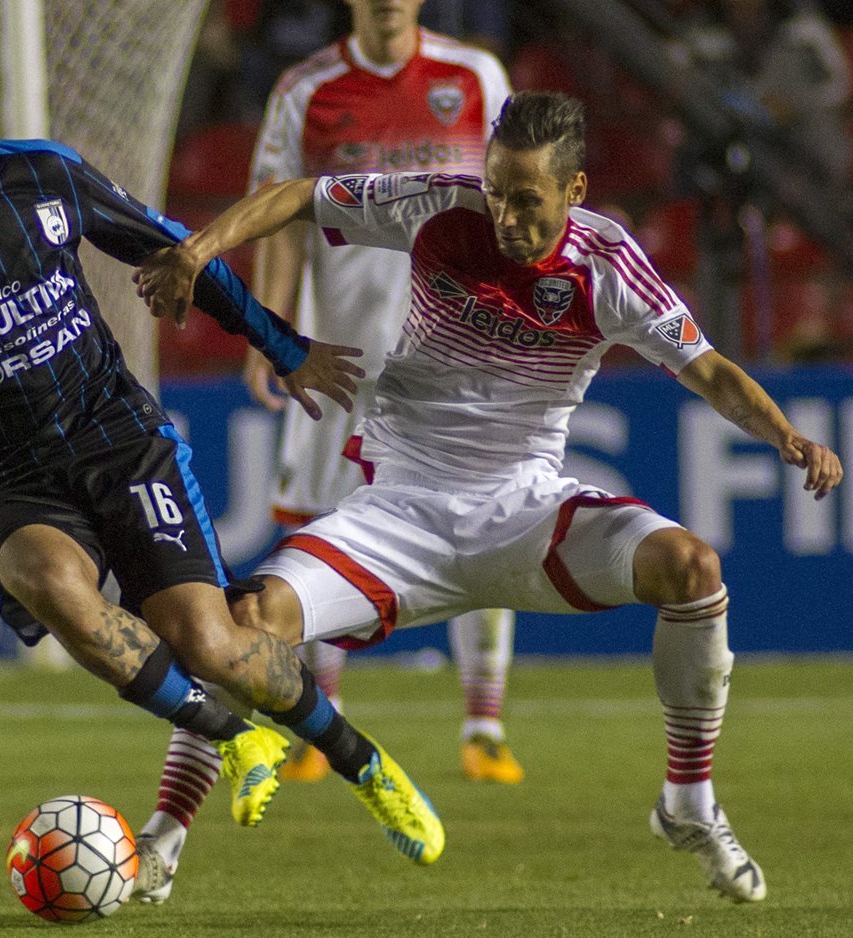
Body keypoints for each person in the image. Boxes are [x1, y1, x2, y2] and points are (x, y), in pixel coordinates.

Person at [0, 15, 446, 890]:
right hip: (12, 480)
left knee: (215, 645)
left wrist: (282, 345)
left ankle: (365, 766)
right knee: (48, 582)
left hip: (121, 440)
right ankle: (234, 740)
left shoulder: (44, 175)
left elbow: (172, 246)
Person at [135, 90, 844, 903]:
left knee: (692, 567)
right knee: (242, 627)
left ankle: (688, 800)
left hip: (526, 516)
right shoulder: (443, 205)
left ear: (574, 193)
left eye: (527, 200)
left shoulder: (609, 268)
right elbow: (300, 195)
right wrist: (195, 251)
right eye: (498, 190)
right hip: (398, 516)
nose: (504, 214)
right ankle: (164, 838)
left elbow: (708, 368)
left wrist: (786, 436)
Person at [240, 0, 521, 788]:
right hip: (342, 357)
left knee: (487, 526)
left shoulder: (474, 76)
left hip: (458, 355)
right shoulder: (306, 89)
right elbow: (284, 216)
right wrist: (272, 332)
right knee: (321, 530)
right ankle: (313, 730)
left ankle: (484, 725)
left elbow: (517, 202)